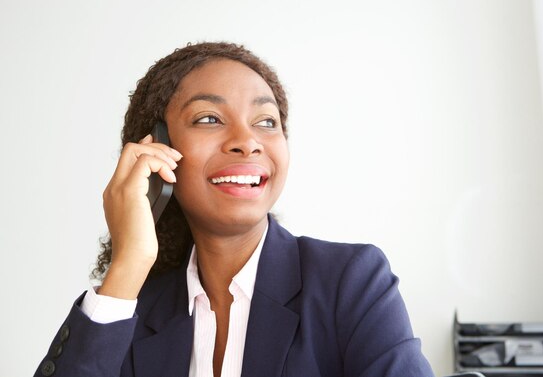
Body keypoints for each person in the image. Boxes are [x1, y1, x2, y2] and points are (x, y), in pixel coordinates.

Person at [35, 42, 435, 377]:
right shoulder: (135, 313)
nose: (248, 141)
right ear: (156, 151)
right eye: (209, 119)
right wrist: (129, 263)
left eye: (266, 121)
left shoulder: (350, 283)